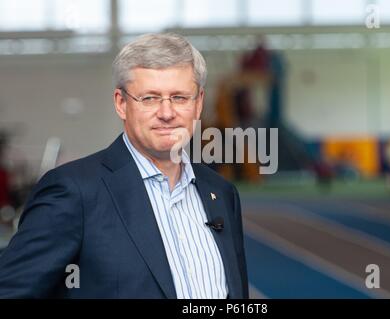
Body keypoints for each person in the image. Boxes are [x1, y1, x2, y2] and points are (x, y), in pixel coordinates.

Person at [0, 33, 248, 299]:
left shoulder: (221, 193)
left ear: (198, 103)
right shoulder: (74, 191)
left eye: (179, 97)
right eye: (150, 98)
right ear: (121, 103)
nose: (166, 113)